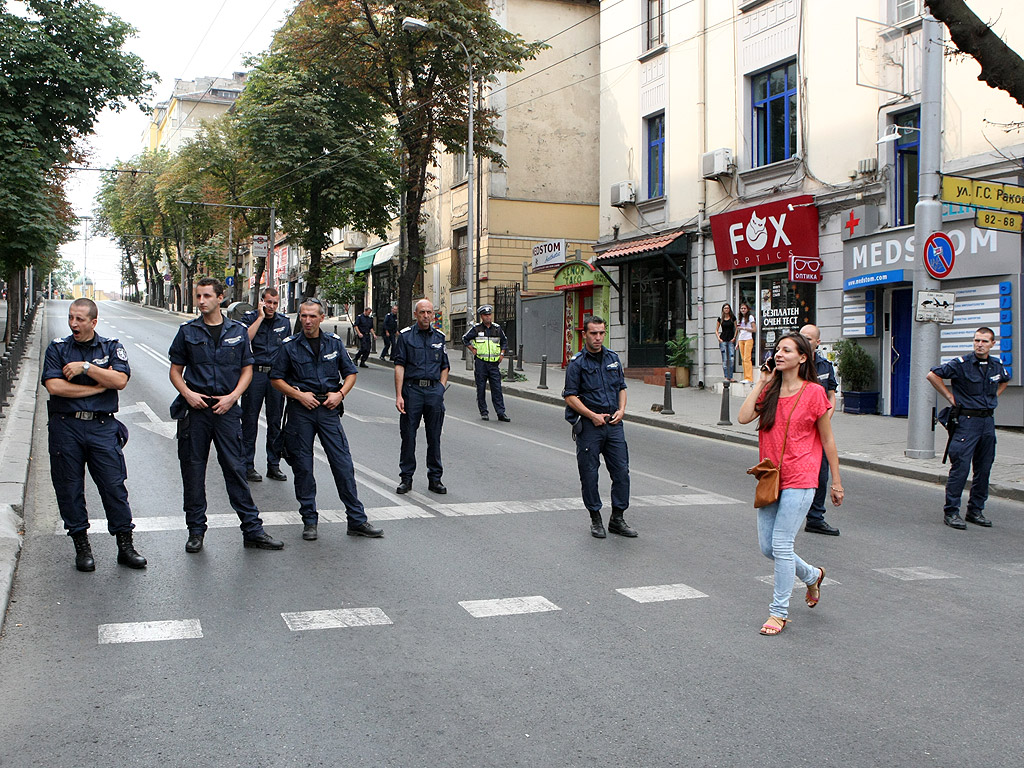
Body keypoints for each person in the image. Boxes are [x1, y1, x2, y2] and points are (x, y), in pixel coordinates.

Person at [168, 277, 284, 553]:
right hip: (196, 410)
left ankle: (252, 530)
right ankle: (196, 531)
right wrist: (188, 394)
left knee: (235, 468)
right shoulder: (187, 331)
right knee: (193, 471)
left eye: (206, 296)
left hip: (227, 410)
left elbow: (247, 369)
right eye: (198, 296)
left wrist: (233, 397)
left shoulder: (237, 331)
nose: (201, 301)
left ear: (220, 298)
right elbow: (175, 370)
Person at [738, 333, 842, 636]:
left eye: (787, 350)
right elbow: (744, 417)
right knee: (768, 547)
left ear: (803, 357)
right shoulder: (769, 391)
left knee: (782, 544)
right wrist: (762, 381)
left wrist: (836, 481)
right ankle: (812, 575)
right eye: (778, 350)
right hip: (770, 476)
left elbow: (827, 439)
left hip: (802, 476)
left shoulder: (814, 393)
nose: (779, 354)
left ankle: (779, 613)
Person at [42, 298, 146, 572]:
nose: (73, 323)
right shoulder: (58, 348)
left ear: (93, 322)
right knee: (70, 488)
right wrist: (98, 387)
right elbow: (55, 386)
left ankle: (125, 546)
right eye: (71, 318)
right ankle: (82, 548)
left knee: (114, 487)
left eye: (80, 319)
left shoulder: (111, 346)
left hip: (102, 427)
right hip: (67, 427)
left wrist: (86, 368)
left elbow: (120, 381)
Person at [271, 298, 383, 540]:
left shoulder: (333, 343)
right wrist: (298, 395)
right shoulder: (289, 345)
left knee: (343, 465)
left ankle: (356, 520)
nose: (308, 321)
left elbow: (351, 373)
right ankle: (309, 520)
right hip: (301, 411)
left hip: (329, 409)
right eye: (303, 316)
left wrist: (340, 394)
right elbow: (276, 378)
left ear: (322, 318)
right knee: (303, 467)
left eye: (312, 316)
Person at [926, 326, 1009, 530]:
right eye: (976, 341)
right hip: (967, 422)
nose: (979, 345)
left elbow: (1005, 381)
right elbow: (932, 375)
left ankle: (976, 510)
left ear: (992, 344)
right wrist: (949, 396)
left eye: (984, 341)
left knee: (984, 468)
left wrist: (993, 398)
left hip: (987, 422)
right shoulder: (961, 364)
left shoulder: (996, 365)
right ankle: (952, 511)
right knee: (961, 467)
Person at [562, 315, 636, 539]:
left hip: (614, 425)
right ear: (584, 334)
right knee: (589, 474)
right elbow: (570, 396)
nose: (598, 337)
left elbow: (622, 387)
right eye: (593, 333)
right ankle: (595, 518)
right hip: (590, 426)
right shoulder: (577, 363)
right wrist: (592, 415)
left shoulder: (612, 358)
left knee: (621, 471)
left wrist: (622, 410)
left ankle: (617, 518)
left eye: (601, 333)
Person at [393, 299, 449, 494]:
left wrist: (440, 389)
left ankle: (435, 479)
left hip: (433, 392)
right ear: (416, 314)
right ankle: (406, 478)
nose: (426, 316)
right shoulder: (406, 337)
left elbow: (445, 366)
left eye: (429, 312)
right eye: (422, 312)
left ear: (433, 315)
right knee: (408, 436)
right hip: (412, 391)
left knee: (434, 437)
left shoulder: (440, 337)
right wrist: (399, 395)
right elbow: (399, 366)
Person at [241, 287, 290, 483]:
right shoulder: (249, 318)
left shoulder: (284, 322)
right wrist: (260, 318)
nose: (271, 306)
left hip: (276, 377)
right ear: (261, 301)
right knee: (250, 421)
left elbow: (287, 350)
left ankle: (273, 465)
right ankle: (247, 465)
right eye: (268, 302)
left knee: (275, 422)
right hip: (255, 375)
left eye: (275, 303)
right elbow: (245, 340)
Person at [800, 324, 840, 536]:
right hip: (798, 429)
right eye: (802, 337)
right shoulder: (794, 364)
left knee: (820, 473)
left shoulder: (825, 366)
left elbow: (831, 395)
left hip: (819, 428)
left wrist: (826, 417)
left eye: (809, 338)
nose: (805, 341)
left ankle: (815, 518)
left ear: (817, 343)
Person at [462, 304, 511, 422]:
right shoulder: (477, 329)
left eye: (489, 315)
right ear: (481, 317)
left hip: (494, 364)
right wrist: (472, 349)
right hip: (481, 363)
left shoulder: (497, 328)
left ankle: (501, 412)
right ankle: (484, 412)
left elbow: (504, 341)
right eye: (485, 315)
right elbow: (465, 339)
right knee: (481, 388)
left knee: (497, 389)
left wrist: (502, 354)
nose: (488, 317)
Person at [715, 303, 737, 381]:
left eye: (727, 308)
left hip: (731, 339)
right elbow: (716, 330)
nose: (726, 310)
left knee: (731, 358)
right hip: (723, 339)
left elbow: (736, 328)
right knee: (725, 359)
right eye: (725, 308)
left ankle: (730, 376)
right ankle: (726, 376)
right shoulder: (720, 319)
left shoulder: (732, 318)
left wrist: (734, 337)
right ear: (723, 310)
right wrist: (719, 338)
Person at [736, 302, 756, 382]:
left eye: (744, 308)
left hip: (748, 338)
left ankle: (749, 378)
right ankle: (745, 377)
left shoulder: (750, 317)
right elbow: (740, 332)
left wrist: (744, 328)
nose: (743, 310)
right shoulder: (740, 318)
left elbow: (754, 329)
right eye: (741, 308)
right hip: (741, 339)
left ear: (747, 309)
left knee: (747, 358)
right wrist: (737, 343)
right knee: (743, 359)